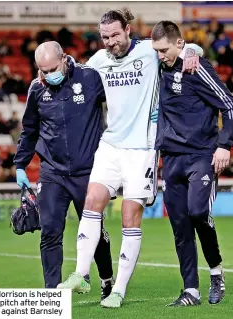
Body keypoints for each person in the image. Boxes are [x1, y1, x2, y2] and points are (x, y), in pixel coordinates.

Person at [58, 9, 203, 308]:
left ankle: (119, 290)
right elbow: (73, 68)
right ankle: (81, 274)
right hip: (111, 145)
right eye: (105, 37)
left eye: (115, 35)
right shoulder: (100, 60)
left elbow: (182, 45)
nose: (111, 42)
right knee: (92, 202)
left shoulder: (149, 52)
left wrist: (192, 51)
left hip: (142, 149)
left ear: (127, 30)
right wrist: (55, 68)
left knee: (128, 217)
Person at [13, 41, 114, 299]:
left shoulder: (90, 78)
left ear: (64, 59)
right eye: (42, 71)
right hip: (52, 173)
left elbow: (119, 102)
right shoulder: (37, 89)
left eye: (51, 69)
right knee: (49, 231)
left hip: (88, 172)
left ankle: (106, 279)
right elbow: (29, 129)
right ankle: (52, 294)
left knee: (96, 233)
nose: (47, 75)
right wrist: (20, 165)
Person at [151, 21, 233, 306]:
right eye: (156, 50)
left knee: (198, 211)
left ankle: (216, 273)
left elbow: (230, 105)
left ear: (179, 44)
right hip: (172, 158)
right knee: (179, 226)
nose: (160, 55)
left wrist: (224, 144)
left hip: (202, 155)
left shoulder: (196, 67)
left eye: (164, 49)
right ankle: (191, 290)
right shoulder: (157, 66)